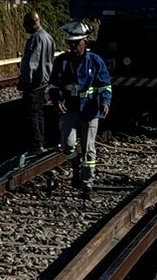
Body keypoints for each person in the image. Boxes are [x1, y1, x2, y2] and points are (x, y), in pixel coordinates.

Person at [50, 21, 112, 197]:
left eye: (77, 43)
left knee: (88, 148)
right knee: (68, 145)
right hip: (69, 109)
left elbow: (105, 85)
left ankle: (87, 183)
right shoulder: (61, 61)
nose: (73, 47)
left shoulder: (95, 61)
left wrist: (105, 101)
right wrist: (57, 100)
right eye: (70, 43)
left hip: (90, 110)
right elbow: (54, 86)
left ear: (85, 42)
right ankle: (76, 167)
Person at [18, 10, 56, 156]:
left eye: (25, 25)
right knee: (39, 114)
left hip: (33, 84)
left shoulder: (35, 39)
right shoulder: (49, 38)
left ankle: (35, 145)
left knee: (32, 115)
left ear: (32, 23)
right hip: (44, 82)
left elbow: (30, 63)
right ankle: (40, 143)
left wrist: (24, 80)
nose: (24, 28)